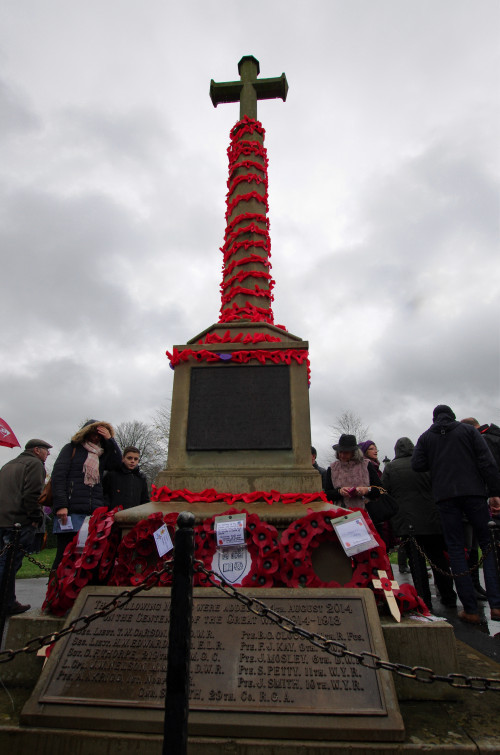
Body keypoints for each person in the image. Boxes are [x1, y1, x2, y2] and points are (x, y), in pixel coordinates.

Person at [412, 404, 500, 624]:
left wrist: (438, 461)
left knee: (456, 549)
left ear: (434, 419)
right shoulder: (468, 431)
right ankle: (497, 606)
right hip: (474, 492)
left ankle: (470, 609)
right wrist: (495, 492)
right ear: (452, 416)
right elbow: (487, 462)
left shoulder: (426, 437)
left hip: (445, 496)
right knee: (487, 545)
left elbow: (417, 464)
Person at [382, 437, 456, 611]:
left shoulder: (391, 468)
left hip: (407, 522)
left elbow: (385, 492)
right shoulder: (426, 464)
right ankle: (449, 597)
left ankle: (424, 600)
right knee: (439, 560)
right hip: (431, 519)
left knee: (416, 562)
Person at [51, 420, 121, 570]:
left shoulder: (102, 455)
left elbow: (117, 463)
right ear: (85, 433)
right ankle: (56, 589)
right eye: (93, 434)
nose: (96, 438)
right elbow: (59, 477)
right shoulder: (71, 449)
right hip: (71, 510)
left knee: (86, 555)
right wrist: (62, 505)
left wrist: (110, 439)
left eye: (99, 435)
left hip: (92, 512)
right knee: (64, 555)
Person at [0, 438, 52, 614]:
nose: (48, 454)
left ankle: (8, 601)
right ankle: (6, 603)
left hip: (3, 521)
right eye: (46, 450)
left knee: (4, 562)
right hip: (19, 522)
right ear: (37, 450)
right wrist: (36, 517)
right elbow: (33, 494)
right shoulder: (35, 464)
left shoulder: (8, 464)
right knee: (9, 564)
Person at [324, 434, 383, 512]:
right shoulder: (332, 468)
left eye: (346, 452)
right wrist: (339, 492)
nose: (341, 455)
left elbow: (381, 490)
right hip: (340, 513)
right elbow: (326, 494)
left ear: (354, 452)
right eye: (340, 452)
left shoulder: (366, 465)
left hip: (365, 512)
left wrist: (366, 490)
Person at [103, 446, 150, 510]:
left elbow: (144, 500)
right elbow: (104, 495)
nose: (132, 461)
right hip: (113, 516)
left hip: (134, 516)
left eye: (135, 459)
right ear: (123, 458)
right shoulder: (112, 475)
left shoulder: (141, 478)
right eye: (129, 458)